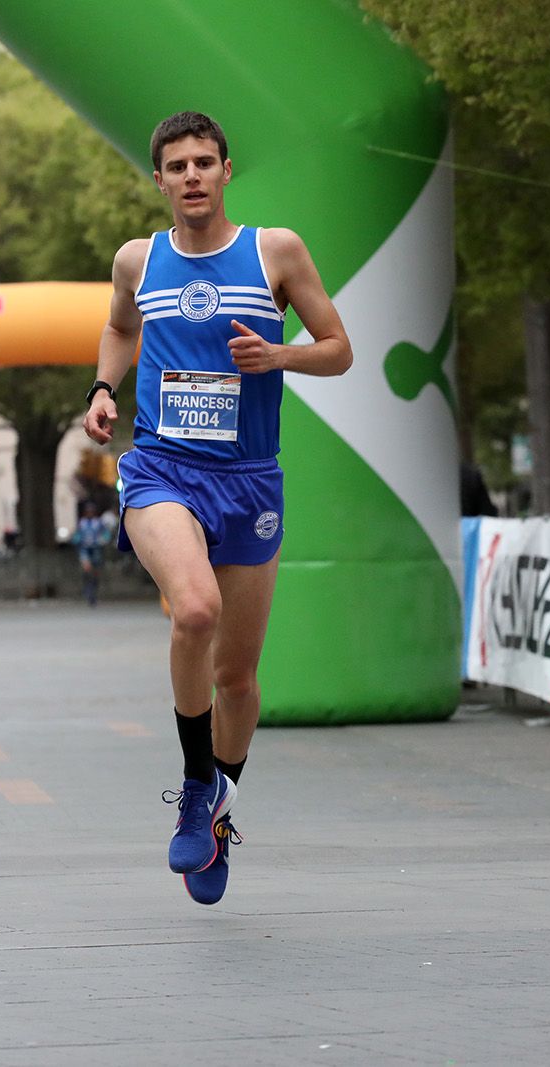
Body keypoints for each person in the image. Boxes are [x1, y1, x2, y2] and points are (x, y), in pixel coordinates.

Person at [83, 111, 352, 905]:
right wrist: (103, 388)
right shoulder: (138, 259)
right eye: (177, 165)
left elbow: (338, 347)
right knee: (192, 610)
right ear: (159, 179)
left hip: (249, 478)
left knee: (237, 678)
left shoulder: (276, 250)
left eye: (205, 162)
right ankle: (197, 785)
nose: (192, 176)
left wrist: (281, 353)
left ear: (226, 172)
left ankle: (221, 815)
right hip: (164, 466)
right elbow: (118, 326)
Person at [74, 501, 107, 607]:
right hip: (85, 549)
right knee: (87, 570)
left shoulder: (98, 523)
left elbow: (106, 534)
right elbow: (77, 535)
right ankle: (88, 592)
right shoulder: (82, 523)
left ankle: (93, 593)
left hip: (96, 548)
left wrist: (103, 540)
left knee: (95, 573)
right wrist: (76, 540)